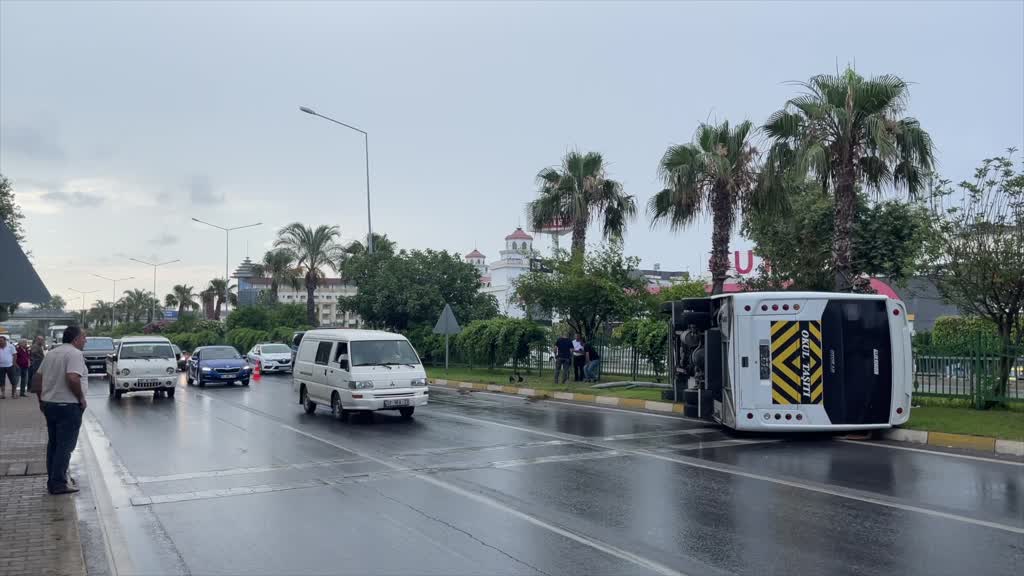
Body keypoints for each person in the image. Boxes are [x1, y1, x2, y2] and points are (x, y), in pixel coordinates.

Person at [32, 326, 89, 495]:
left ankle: (53, 481)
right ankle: (58, 484)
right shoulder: (74, 354)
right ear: (75, 339)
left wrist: (41, 400)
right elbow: (72, 377)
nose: (85, 341)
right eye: (84, 337)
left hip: (50, 404)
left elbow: (38, 378)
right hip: (67, 406)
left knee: (54, 445)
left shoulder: (52, 353)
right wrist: (81, 398)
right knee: (65, 446)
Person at [0, 334, 17, 399]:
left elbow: (15, 355)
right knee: (1, 381)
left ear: (5, 341)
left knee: (13, 380)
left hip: (10, 366)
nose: (0, 342)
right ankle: (3, 394)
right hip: (1, 366)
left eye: (1, 341)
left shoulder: (10, 346)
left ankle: (14, 393)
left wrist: (14, 363)